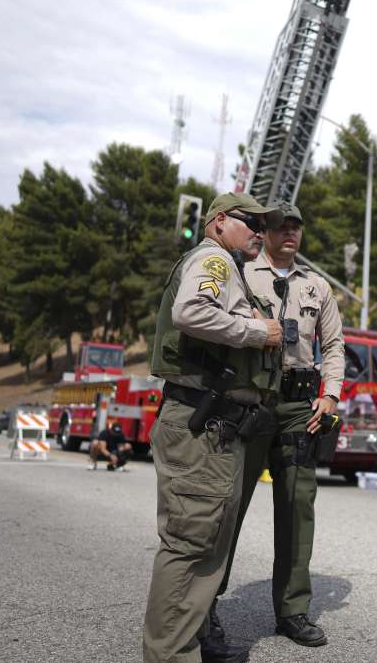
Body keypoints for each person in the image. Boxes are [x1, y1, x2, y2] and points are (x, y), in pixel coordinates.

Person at [141, 192, 284, 663]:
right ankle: (170, 656)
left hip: (217, 427)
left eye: (264, 227)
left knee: (205, 544)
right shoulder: (214, 260)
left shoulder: (228, 267)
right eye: (251, 223)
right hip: (202, 424)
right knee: (190, 544)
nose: (260, 234)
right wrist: (259, 332)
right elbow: (192, 313)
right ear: (220, 221)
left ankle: (184, 647)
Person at [214, 202, 344, 649]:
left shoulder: (318, 287)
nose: (290, 233)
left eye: (296, 227)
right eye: (280, 227)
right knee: (230, 505)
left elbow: (334, 345)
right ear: (264, 233)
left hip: (297, 406)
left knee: (297, 507)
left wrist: (330, 395)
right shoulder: (241, 274)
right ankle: (206, 604)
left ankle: (293, 610)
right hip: (251, 401)